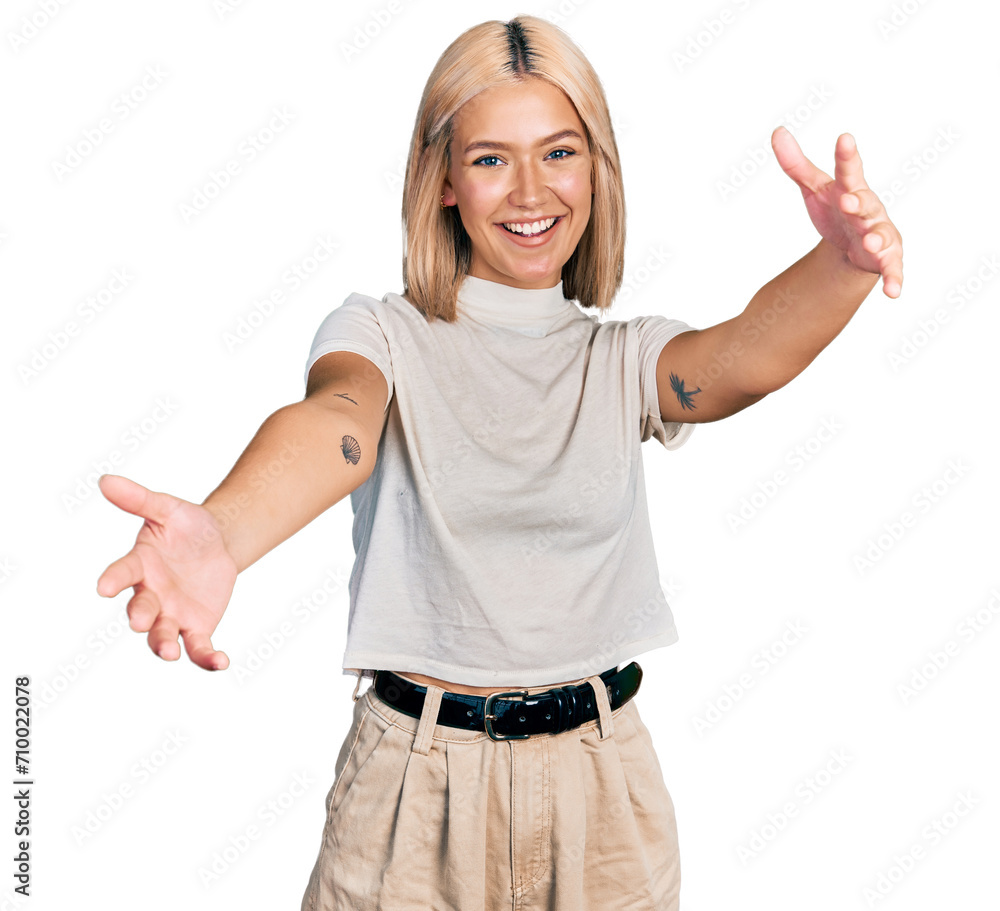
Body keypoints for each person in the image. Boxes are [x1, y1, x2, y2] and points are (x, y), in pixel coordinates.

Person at [95, 15, 902, 911]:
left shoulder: (622, 359)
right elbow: (338, 425)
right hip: (412, 789)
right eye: (489, 159)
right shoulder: (380, 334)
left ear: (596, 168)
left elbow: (733, 364)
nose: (529, 190)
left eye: (559, 152)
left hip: (603, 791)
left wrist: (840, 265)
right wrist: (226, 531)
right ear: (442, 179)